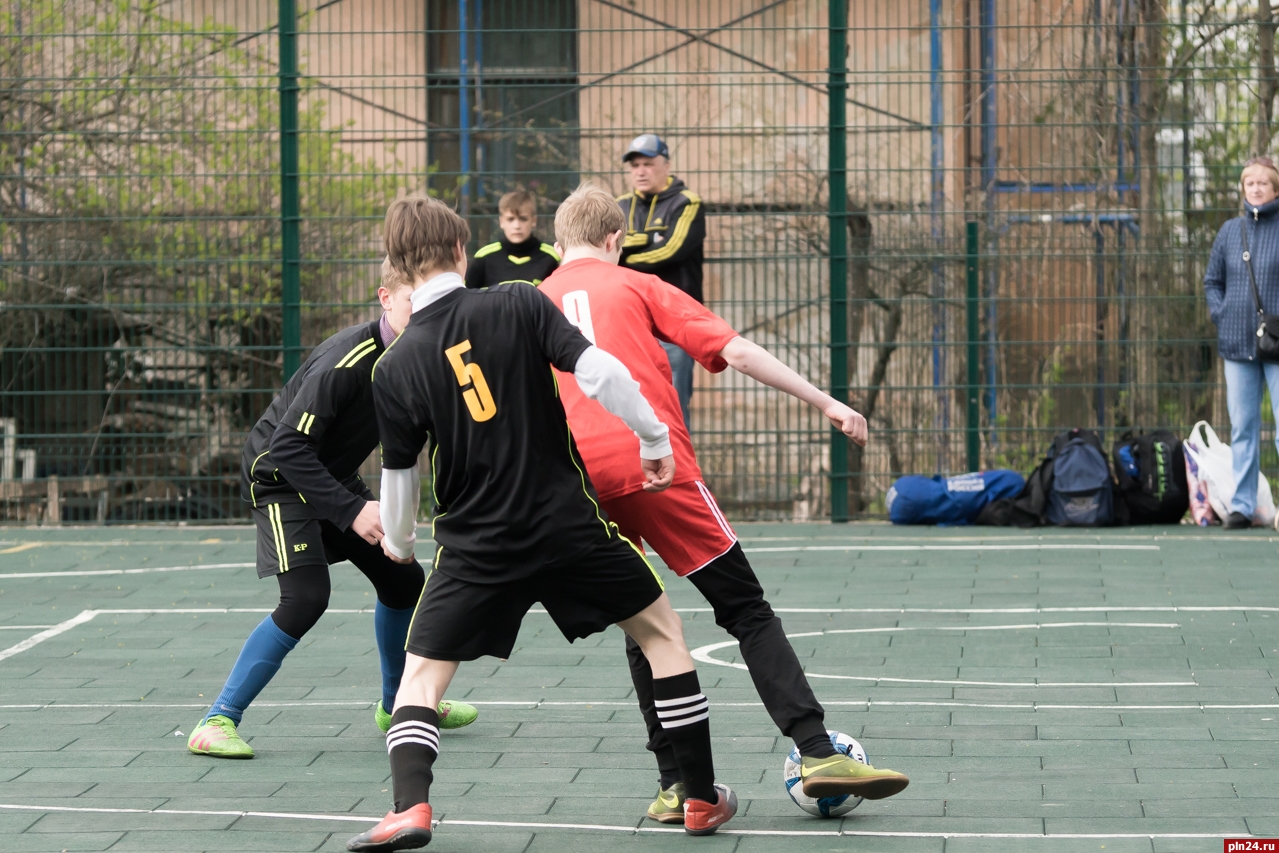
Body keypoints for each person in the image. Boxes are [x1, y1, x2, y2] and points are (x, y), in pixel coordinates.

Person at [345, 196, 735, 852]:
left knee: (421, 677)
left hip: (474, 545)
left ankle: (409, 807)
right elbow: (600, 372)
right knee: (662, 634)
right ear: (462, 252)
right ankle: (698, 796)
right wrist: (651, 436)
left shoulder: (394, 365)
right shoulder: (518, 301)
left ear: (402, 269)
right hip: (565, 524)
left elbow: (400, 480)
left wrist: (402, 542)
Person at [539, 183, 910, 824]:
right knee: (746, 610)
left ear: (556, 244)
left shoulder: (530, 303)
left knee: (646, 625)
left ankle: (675, 785)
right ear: (614, 240)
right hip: (656, 469)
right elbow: (733, 349)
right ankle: (817, 751)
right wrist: (827, 402)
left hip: (577, 488)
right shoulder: (637, 284)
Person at [186, 260, 478, 760]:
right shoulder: (347, 361)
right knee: (306, 598)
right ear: (385, 298)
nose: (426, 312)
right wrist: (351, 510)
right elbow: (287, 448)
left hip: (329, 475)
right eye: (414, 301)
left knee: (403, 579)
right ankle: (216, 720)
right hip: (278, 476)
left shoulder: (420, 358)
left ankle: (396, 706)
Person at [1205, 155, 1279, 529]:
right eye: (1249, 184)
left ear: (1274, 189)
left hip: (1278, 347)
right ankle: (1243, 506)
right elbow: (1211, 281)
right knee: (1243, 427)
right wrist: (1222, 313)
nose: (1255, 189)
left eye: (1262, 183)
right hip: (1236, 345)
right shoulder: (1230, 232)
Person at [616, 133, 705, 430]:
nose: (640, 171)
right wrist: (647, 240)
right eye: (635, 165)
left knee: (673, 403)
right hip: (628, 320)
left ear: (666, 165)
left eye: (648, 164)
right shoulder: (619, 206)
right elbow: (604, 248)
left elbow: (670, 251)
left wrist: (626, 251)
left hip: (673, 323)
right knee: (625, 401)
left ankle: (680, 473)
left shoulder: (686, 202)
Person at [464, 189, 560, 289]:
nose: (516, 226)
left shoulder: (552, 258)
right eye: (510, 219)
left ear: (534, 221)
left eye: (523, 219)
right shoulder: (483, 257)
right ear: (501, 221)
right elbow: (467, 298)